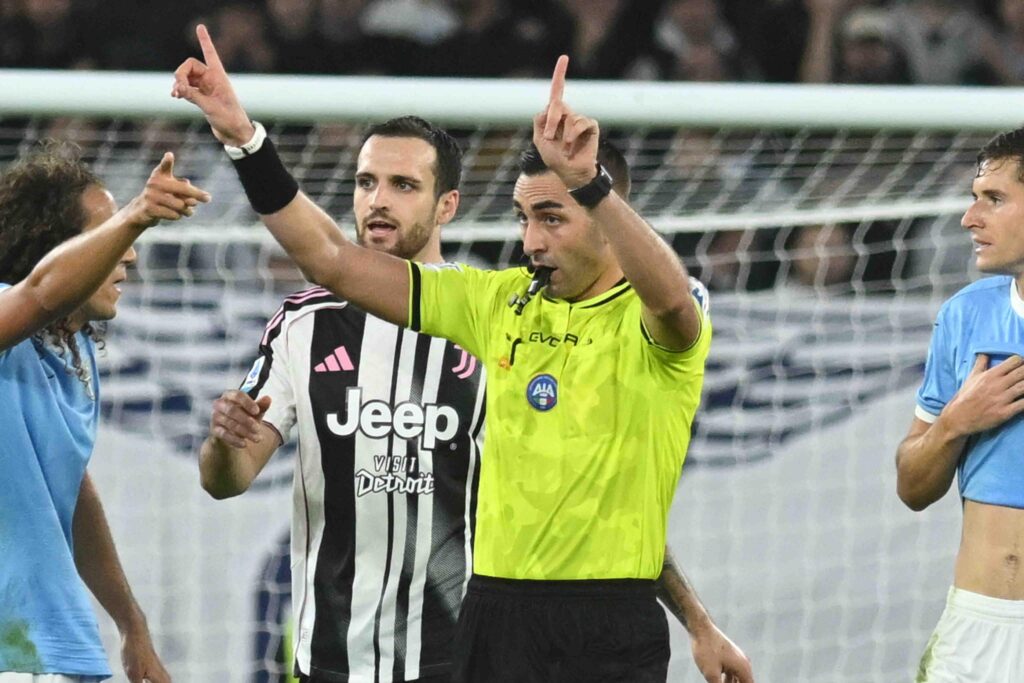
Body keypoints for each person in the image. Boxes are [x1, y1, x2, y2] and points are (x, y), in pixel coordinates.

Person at [174, 25, 753, 682]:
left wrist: (590, 182)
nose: (531, 240)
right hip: (489, 613)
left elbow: (673, 304)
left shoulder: (659, 316)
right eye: (522, 218)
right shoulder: (495, 302)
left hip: (609, 615)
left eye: (553, 219)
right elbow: (331, 258)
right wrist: (244, 139)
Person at [198, 115, 486, 682]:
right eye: (366, 182)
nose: (378, 200)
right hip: (331, 657)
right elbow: (225, 480)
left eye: (403, 186)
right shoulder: (304, 323)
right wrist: (224, 440)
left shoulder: (488, 320)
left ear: (446, 205)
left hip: (459, 655)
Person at [0, 143, 208, 681]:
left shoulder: (79, 352)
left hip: (58, 642)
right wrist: (138, 214)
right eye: (106, 233)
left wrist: (132, 625)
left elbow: (71, 494)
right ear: (50, 247)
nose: (131, 252)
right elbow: (41, 292)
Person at [896, 127, 1024, 681]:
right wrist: (955, 423)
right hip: (978, 629)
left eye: (993, 199)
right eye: (974, 198)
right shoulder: (964, 316)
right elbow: (912, 488)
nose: (970, 219)